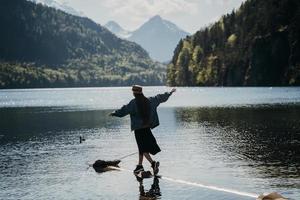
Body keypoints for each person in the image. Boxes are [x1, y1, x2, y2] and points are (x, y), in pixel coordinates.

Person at [110, 85, 176, 175]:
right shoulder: (149, 100)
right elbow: (160, 97)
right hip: (147, 128)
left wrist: (114, 113)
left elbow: (124, 110)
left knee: (143, 149)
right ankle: (139, 166)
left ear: (134, 93)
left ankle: (153, 164)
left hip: (138, 129)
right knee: (142, 148)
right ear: (141, 92)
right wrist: (170, 93)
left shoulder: (133, 103)